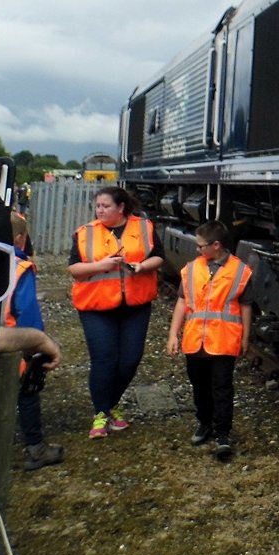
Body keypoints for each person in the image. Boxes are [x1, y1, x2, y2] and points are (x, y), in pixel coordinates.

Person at [68, 186, 164, 439]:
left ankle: (109, 404)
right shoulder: (85, 233)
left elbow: (159, 258)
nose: (99, 210)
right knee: (104, 360)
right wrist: (101, 265)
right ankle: (101, 414)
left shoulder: (144, 227)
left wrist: (141, 266)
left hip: (135, 305)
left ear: (121, 207)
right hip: (96, 306)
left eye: (105, 206)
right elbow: (74, 269)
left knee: (130, 359)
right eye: (97, 206)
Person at [166, 219, 253, 460]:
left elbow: (245, 306)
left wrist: (246, 337)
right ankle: (204, 422)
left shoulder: (240, 271)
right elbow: (182, 301)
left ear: (216, 245)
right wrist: (173, 334)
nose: (197, 249)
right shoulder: (192, 268)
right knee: (200, 386)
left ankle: (223, 433)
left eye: (200, 245)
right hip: (196, 341)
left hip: (224, 341)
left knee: (222, 387)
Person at [6, 212, 65, 470]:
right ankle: (35, 449)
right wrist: (38, 349)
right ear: (21, 238)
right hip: (13, 349)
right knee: (27, 394)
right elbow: (28, 316)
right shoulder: (20, 268)